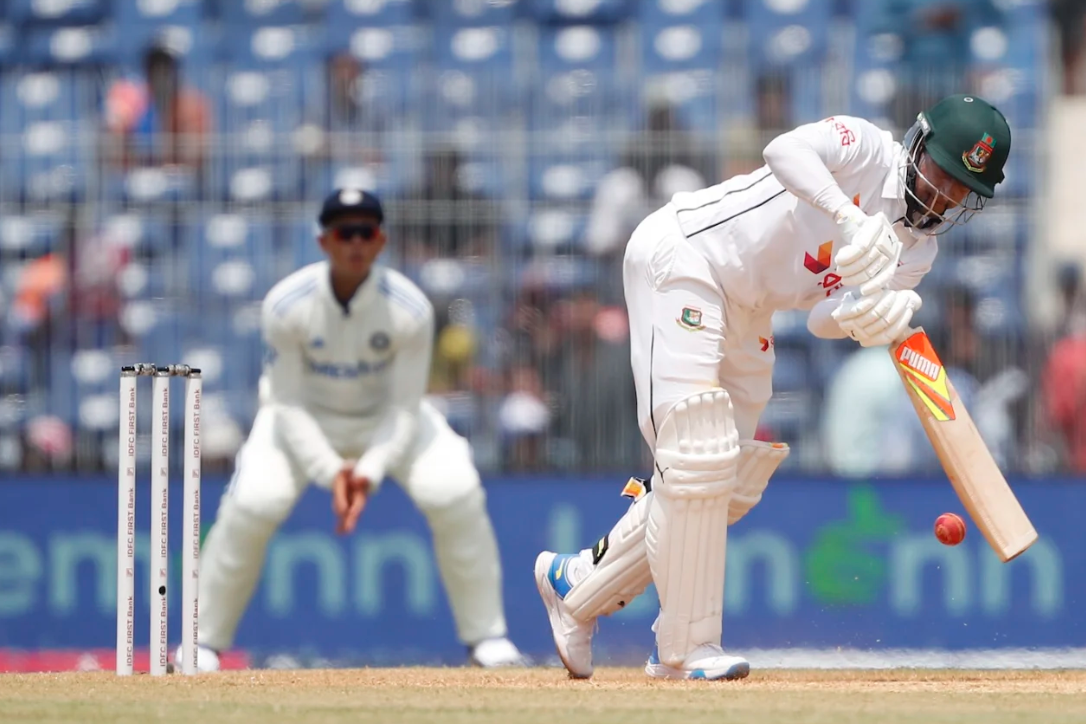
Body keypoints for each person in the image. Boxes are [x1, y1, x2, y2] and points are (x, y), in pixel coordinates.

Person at [533, 94, 1011, 680]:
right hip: (687, 257)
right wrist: (847, 214)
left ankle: (576, 586)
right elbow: (781, 149)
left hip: (749, 312)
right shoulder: (862, 148)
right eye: (941, 174)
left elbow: (820, 319)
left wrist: (871, 314)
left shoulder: (919, 250)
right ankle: (687, 651)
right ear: (917, 145)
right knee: (695, 455)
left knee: (728, 480)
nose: (943, 197)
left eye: (962, 190)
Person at [176, 188, 526, 671]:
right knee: (254, 502)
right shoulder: (286, 304)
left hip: (389, 423)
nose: (355, 243)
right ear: (324, 241)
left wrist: (367, 470)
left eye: (366, 232)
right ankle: (203, 643)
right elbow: (286, 402)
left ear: (381, 241)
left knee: (455, 490)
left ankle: (487, 638)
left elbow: (406, 409)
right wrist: (332, 470)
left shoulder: (411, 308)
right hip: (300, 422)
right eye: (345, 232)